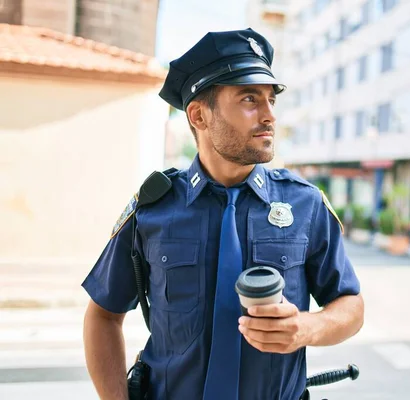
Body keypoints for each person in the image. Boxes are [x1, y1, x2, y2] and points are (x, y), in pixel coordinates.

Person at [81, 28, 364, 400]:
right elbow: (103, 314)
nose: (269, 116)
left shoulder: (305, 204)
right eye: (250, 99)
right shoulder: (153, 210)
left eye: (271, 101)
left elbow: (351, 305)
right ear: (199, 115)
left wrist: (307, 327)